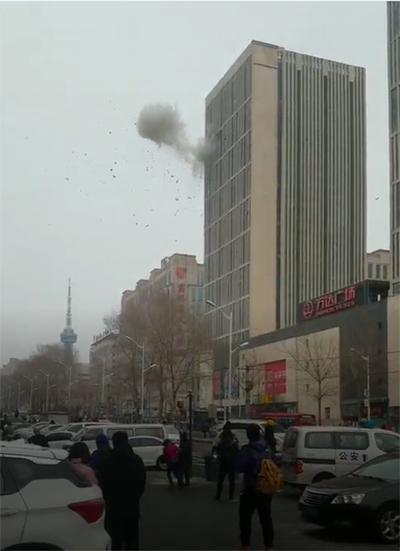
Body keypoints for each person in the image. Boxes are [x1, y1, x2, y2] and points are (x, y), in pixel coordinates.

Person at [98, 431, 146, 550]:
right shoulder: (136, 460)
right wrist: (135, 496)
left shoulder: (107, 462)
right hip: (132, 506)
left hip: (113, 508)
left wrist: (108, 498)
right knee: (132, 539)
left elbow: (102, 484)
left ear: (114, 443)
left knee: (115, 540)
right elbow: (141, 483)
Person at [236, 424, 275, 551]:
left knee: (245, 518)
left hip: (251, 487)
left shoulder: (247, 450)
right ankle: (269, 546)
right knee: (266, 518)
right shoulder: (267, 448)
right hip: (266, 487)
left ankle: (246, 545)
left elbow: (239, 466)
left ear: (248, 435)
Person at [214, 421, 239, 501]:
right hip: (231, 462)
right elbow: (236, 449)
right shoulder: (233, 437)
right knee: (231, 481)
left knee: (220, 480)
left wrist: (218, 455)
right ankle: (231, 496)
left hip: (223, 461)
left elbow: (216, 446)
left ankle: (218, 495)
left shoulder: (221, 436)